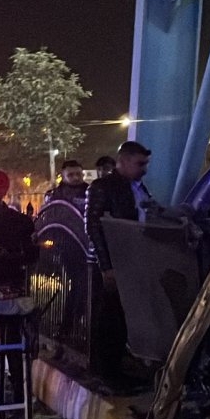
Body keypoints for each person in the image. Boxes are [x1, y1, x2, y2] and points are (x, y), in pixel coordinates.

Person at [86, 141, 151, 380]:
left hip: (130, 258)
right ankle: (107, 372)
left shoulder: (137, 187)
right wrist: (106, 266)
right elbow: (93, 226)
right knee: (108, 318)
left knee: (122, 316)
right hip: (114, 261)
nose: (144, 169)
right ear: (123, 162)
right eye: (140, 164)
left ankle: (116, 367)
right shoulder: (102, 187)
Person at [0, 169, 39, 419]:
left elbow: (31, 255)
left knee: (13, 346)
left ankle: (19, 405)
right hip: (1, 290)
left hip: (10, 290)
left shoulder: (20, 222)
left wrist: (11, 254)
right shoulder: (17, 221)